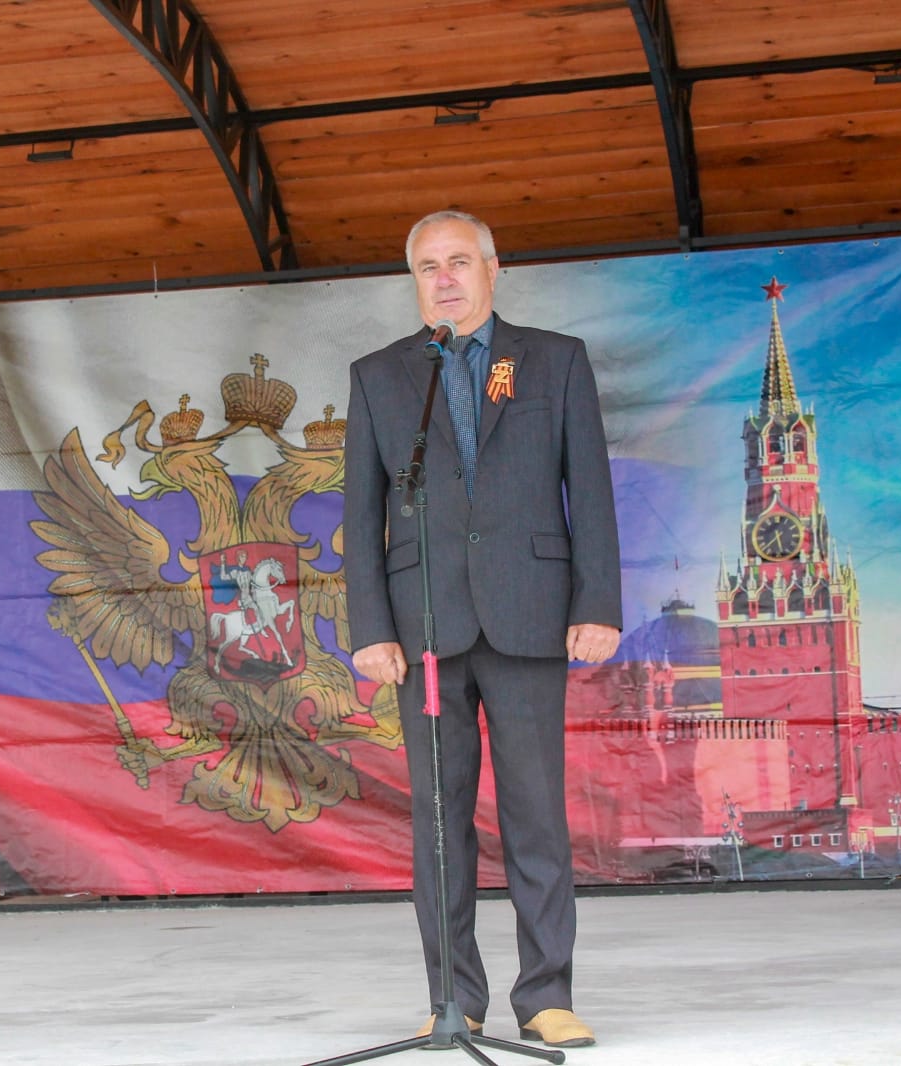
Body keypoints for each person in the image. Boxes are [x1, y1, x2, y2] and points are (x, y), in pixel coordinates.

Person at [343, 210, 621, 1048]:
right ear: (414, 281)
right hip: (424, 626)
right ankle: (453, 998)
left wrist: (597, 604)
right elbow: (361, 510)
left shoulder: (553, 360)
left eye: (459, 262)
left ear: (494, 270)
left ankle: (546, 996)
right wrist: (371, 626)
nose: (445, 279)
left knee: (536, 816)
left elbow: (590, 490)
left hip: (531, 615)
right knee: (439, 821)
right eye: (429, 267)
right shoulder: (380, 375)